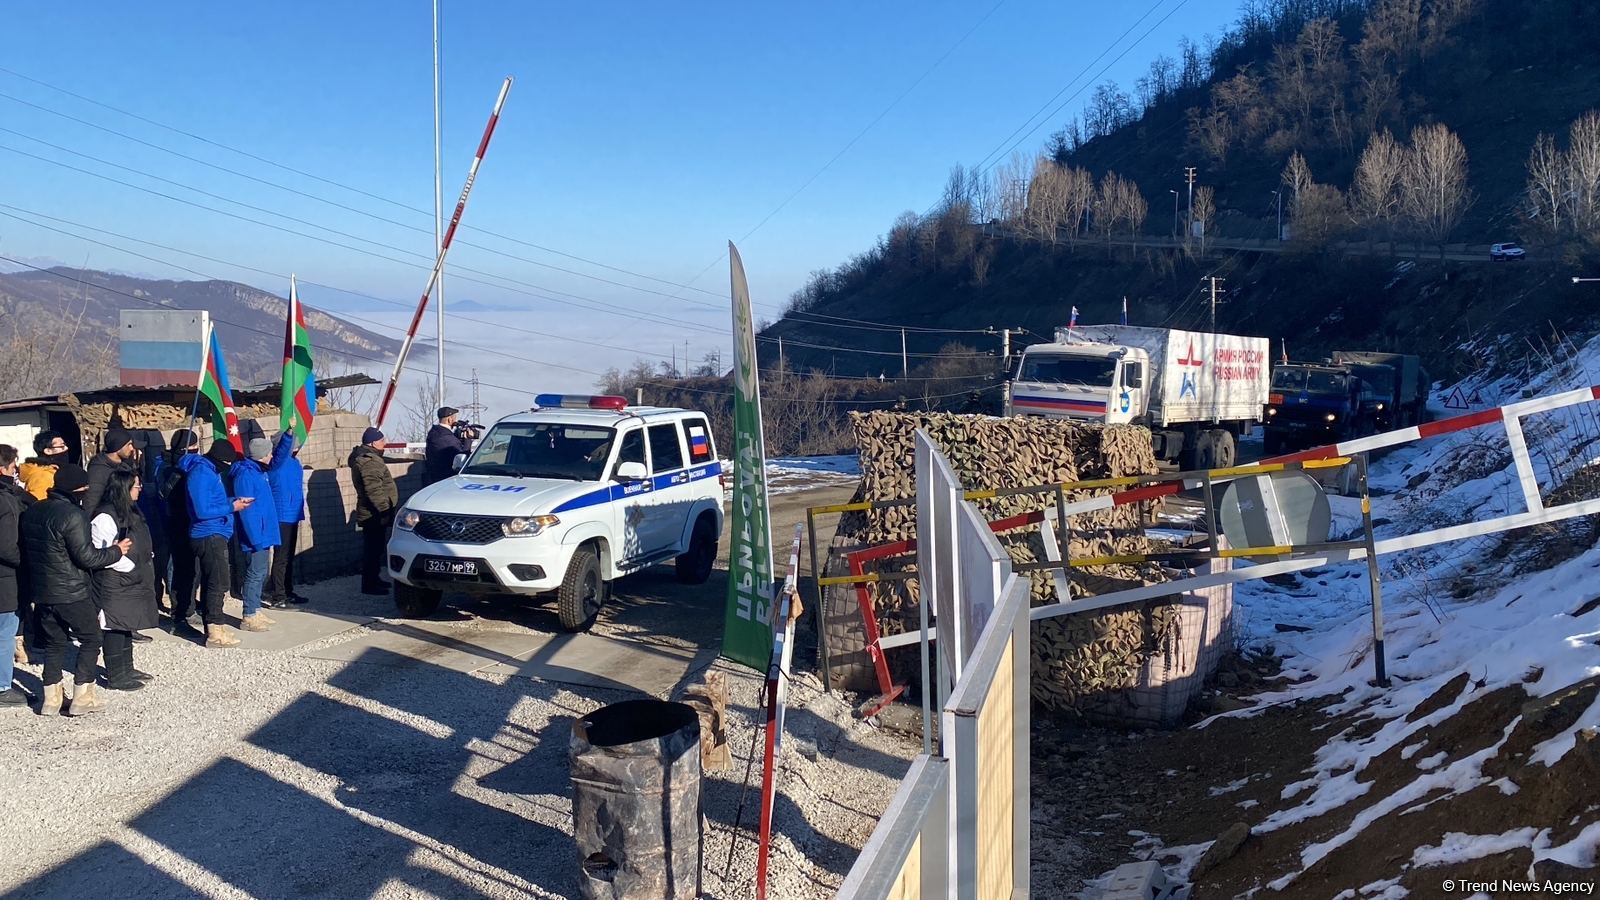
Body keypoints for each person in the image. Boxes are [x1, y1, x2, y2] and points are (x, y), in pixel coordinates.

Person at [20, 464, 130, 716]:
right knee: (91, 638)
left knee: (54, 643)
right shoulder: (73, 515)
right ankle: (83, 696)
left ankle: (51, 699)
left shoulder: (34, 511)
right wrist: (115, 551)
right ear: (78, 490)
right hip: (71, 591)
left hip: (43, 590)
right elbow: (87, 557)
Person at [89, 469, 158, 691]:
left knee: (128, 624)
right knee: (115, 627)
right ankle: (115, 675)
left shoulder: (129, 510)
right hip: (115, 579)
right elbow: (103, 552)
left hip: (132, 577)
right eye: (136, 486)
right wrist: (129, 567)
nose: (139, 490)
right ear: (124, 489)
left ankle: (127, 668)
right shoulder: (105, 517)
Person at [179, 439, 250, 648]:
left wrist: (232, 501)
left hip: (215, 531)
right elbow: (202, 511)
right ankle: (214, 630)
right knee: (217, 582)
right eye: (227, 462)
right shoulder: (201, 473)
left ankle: (216, 625)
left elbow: (213, 502)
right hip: (209, 534)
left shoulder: (210, 470)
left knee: (215, 581)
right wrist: (232, 507)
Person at [231, 437, 280, 632]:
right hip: (256, 534)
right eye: (269, 453)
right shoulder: (246, 475)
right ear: (262, 455)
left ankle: (256, 608)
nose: (271, 456)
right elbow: (247, 510)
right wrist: (255, 538)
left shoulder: (258, 472)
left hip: (264, 531)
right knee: (254, 573)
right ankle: (249, 615)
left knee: (261, 573)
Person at [0, 444, 35, 707]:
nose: (17, 470)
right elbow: (6, 545)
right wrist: (26, 562)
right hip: (5, 577)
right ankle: (2, 687)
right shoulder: (5, 500)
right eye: (14, 465)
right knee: (5, 630)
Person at [160, 429, 201, 636]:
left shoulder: (192, 466)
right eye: (193, 447)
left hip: (191, 522)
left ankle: (190, 604)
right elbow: (165, 492)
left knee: (194, 569)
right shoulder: (167, 468)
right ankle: (180, 613)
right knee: (179, 569)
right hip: (175, 524)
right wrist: (179, 473)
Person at [349, 427, 397, 596]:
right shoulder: (370, 461)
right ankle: (369, 584)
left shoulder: (368, 458)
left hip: (373, 512)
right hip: (373, 514)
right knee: (372, 550)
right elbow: (374, 490)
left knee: (375, 549)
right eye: (381, 440)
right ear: (372, 443)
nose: (384, 443)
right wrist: (384, 510)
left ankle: (374, 579)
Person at [264, 430, 307, 609]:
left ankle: (287, 590)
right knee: (281, 557)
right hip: (282, 515)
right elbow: (282, 449)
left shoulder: (293, 462)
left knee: (289, 556)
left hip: (292, 514)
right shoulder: (278, 462)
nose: (297, 447)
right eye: (293, 444)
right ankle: (278, 595)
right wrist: (289, 434)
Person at [84, 427, 138, 513]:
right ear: (118, 447)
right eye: (129, 444)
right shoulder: (98, 471)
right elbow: (91, 502)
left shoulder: (124, 466)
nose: (132, 448)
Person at [424, 406, 471, 485]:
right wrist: (468, 440)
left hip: (434, 478)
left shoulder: (435, 432)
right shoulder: (445, 437)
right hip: (445, 479)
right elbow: (462, 457)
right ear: (449, 419)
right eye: (455, 418)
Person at [20, 430, 70, 501]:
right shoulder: (43, 475)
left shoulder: (54, 470)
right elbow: (41, 506)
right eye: (62, 446)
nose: (66, 448)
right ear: (48, 451)